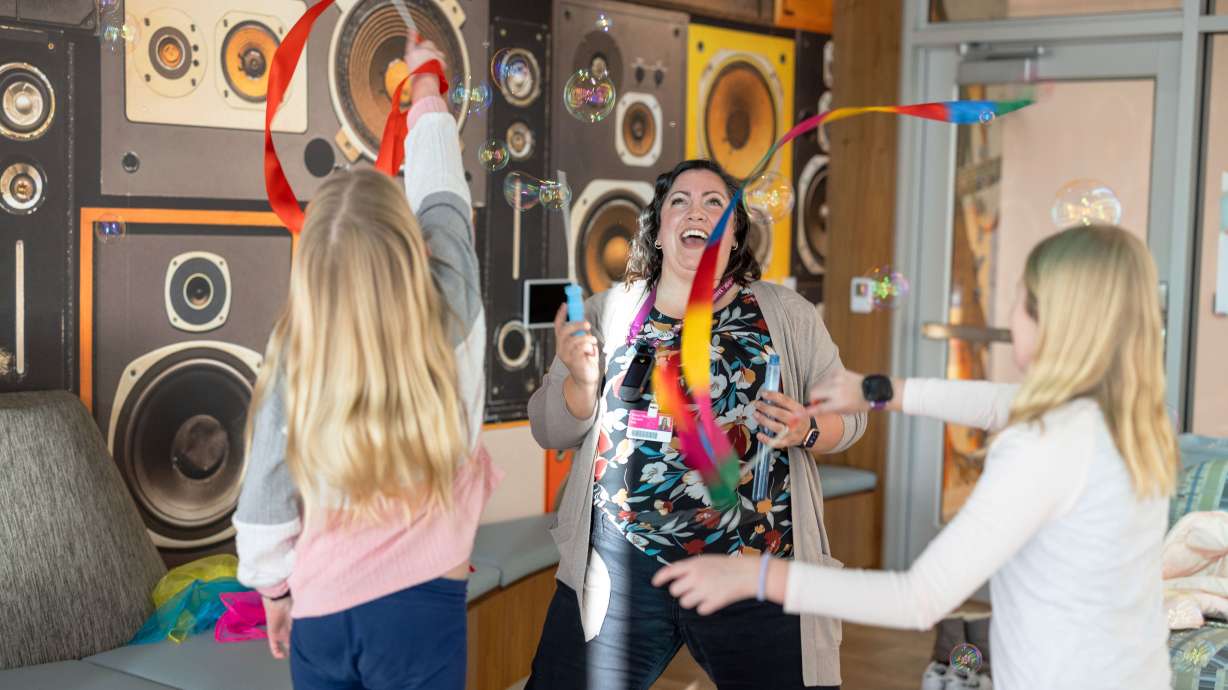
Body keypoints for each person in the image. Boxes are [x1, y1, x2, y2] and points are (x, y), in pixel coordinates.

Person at [654, 225, 1177, 689]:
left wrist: (757, 578)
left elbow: (919, 597)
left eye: (1020, 299)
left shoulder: (1044, 443)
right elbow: (999, 403)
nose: (1010, 314)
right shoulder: (1136, 419)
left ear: (1052, 322)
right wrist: (880, 391)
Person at [525, 159, 867, 689]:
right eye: (679, 201)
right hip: (620, 567)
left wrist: (809, 428)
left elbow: (852, 414)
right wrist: (580, 383)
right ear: (659, 230)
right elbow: (551, 431)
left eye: (715, 204)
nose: (697, 211)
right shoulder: (606, 312)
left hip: (752, 564)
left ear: (734, 236)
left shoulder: (786, 314)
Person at [232, 38, 499, 690]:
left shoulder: (298, 347)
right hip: (422, 606)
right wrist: (428, 88)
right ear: (412, 247)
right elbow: (444, 199)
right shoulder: (455, 301)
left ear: (313, 274)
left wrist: (273, 590)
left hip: (321, 612)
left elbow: (267, 491)